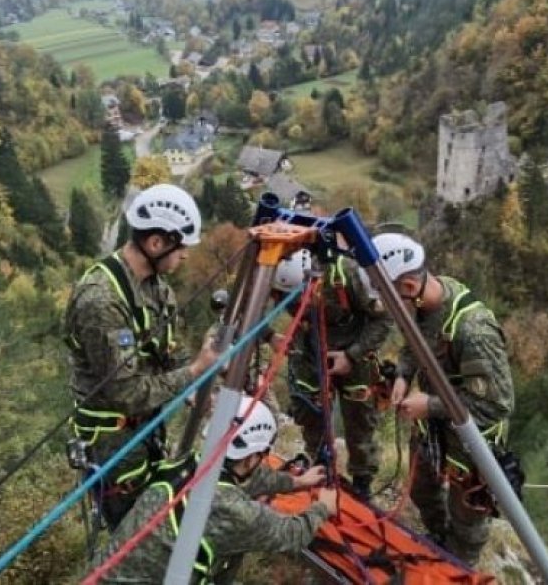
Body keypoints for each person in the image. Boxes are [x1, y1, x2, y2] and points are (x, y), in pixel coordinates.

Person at [65, 184, 219, 528]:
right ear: (156, 243)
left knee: (159, 515)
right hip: (114, 443)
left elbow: (167, 350)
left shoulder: (155, 287)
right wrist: (194, 372)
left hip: (145, 429)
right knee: (133, 532)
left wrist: (190, 388)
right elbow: (127, 393)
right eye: (181, 248)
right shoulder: (101, 301)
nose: (185, 257)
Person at [372, 232, 514, 566]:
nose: (388, 310)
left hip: (471, 443)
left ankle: (457, 567)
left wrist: (429, 405)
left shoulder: (473, 331)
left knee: (466, 521)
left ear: (408, 287)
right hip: (433, 428)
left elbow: (497, 406)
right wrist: (405, 375)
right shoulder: (426, 302)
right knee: (423, 488)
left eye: (389, 298)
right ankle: (437, 538)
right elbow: (414, 342)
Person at [90, 395, 338, 584]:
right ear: (252, 457)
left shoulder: (189, 463)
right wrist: (322, 508)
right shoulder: (233, 510)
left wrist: (296, 482)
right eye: (261, 456)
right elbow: (292, 535)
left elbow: (248, 477)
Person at [271, 248, 392, 499]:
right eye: (289, 300)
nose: (296, 305)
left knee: (360, 419)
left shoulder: (347, 274)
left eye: (300, 297)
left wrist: (352, 355)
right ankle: (320, 469)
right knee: (309, 412)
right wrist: (270, 336)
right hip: (309, 351)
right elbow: (243, 313)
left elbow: (383, 319)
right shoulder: (272, 275)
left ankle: (362, 482)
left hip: (354, 350)